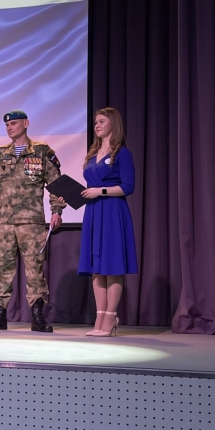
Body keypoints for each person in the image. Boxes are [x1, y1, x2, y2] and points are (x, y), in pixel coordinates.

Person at [0, 110, 65, 332]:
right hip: (5, 222)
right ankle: (0, 315)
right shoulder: (0, 154)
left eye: (14, 124)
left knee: (35, 269)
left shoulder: (42, 151)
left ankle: (37, 316)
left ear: (26, 124)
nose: (10, 128)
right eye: (7, 125)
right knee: (2, 268)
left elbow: (56, 183)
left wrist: (57, 211)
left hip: (31, 222)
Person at [78, 107, 138, 337]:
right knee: (97, 268)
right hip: (94, 211)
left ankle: (111, 317)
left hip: (113, 211)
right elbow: (90, 188)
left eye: (102, 121)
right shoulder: (93, 153)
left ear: (113, 123)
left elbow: (128, 186)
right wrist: (74, 196)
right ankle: (100, 316)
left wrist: (100, 191)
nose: (97, 125)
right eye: (95, 122)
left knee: (112, 266)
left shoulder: (122, 153)